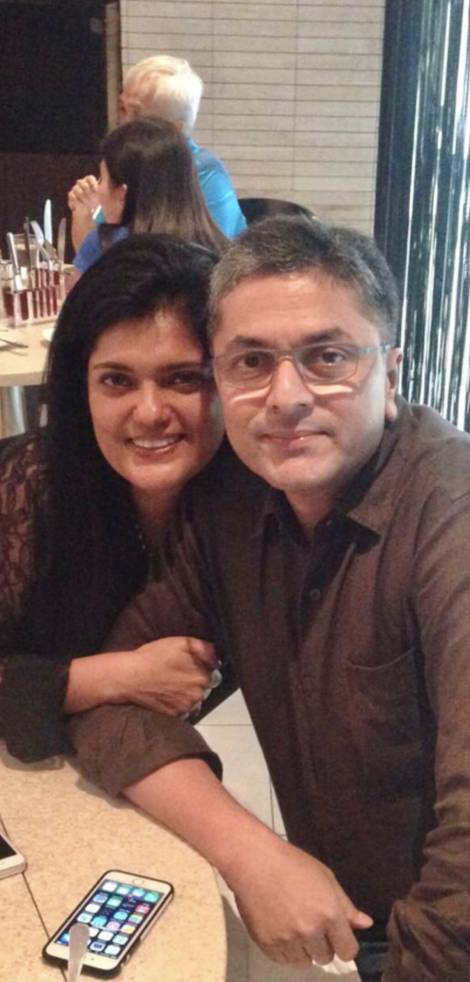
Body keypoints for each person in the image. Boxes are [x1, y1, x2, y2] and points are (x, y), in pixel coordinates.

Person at [68, 215, 470, 981]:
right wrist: (251, 852)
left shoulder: (450, 514)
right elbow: (111, 709)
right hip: (356, 931)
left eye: (328, 357)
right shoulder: (232, 506)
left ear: (390, 375)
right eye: (252, 361)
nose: (286, 397)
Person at [0, 234, 226, 764]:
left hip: (114, 774)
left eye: (183, 378)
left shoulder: (256, 502)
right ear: (81, 388)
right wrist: (109, 677)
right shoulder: (23, 490)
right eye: (117, 380)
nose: (149, 413)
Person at [69, 54, 246, 250]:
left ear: (174, 129)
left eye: (137, 114)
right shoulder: (123, 165)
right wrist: (83, 213)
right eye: (122, 109)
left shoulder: (207, 174)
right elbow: (91, 259)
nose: (123, 122)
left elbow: (210, 259)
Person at [72, 116, 227, 277]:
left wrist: (83, 216)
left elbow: (80, 290)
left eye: (102, 179)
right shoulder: (222, 252)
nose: (98, 189)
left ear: (122, 192)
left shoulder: (106, 247)